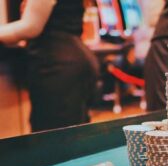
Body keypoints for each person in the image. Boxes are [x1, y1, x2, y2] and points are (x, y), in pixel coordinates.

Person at [0, 0, 99, 132]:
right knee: (74, 138)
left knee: (53, 141)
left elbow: (30, 28)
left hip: (58, 67)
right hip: (73, 62)